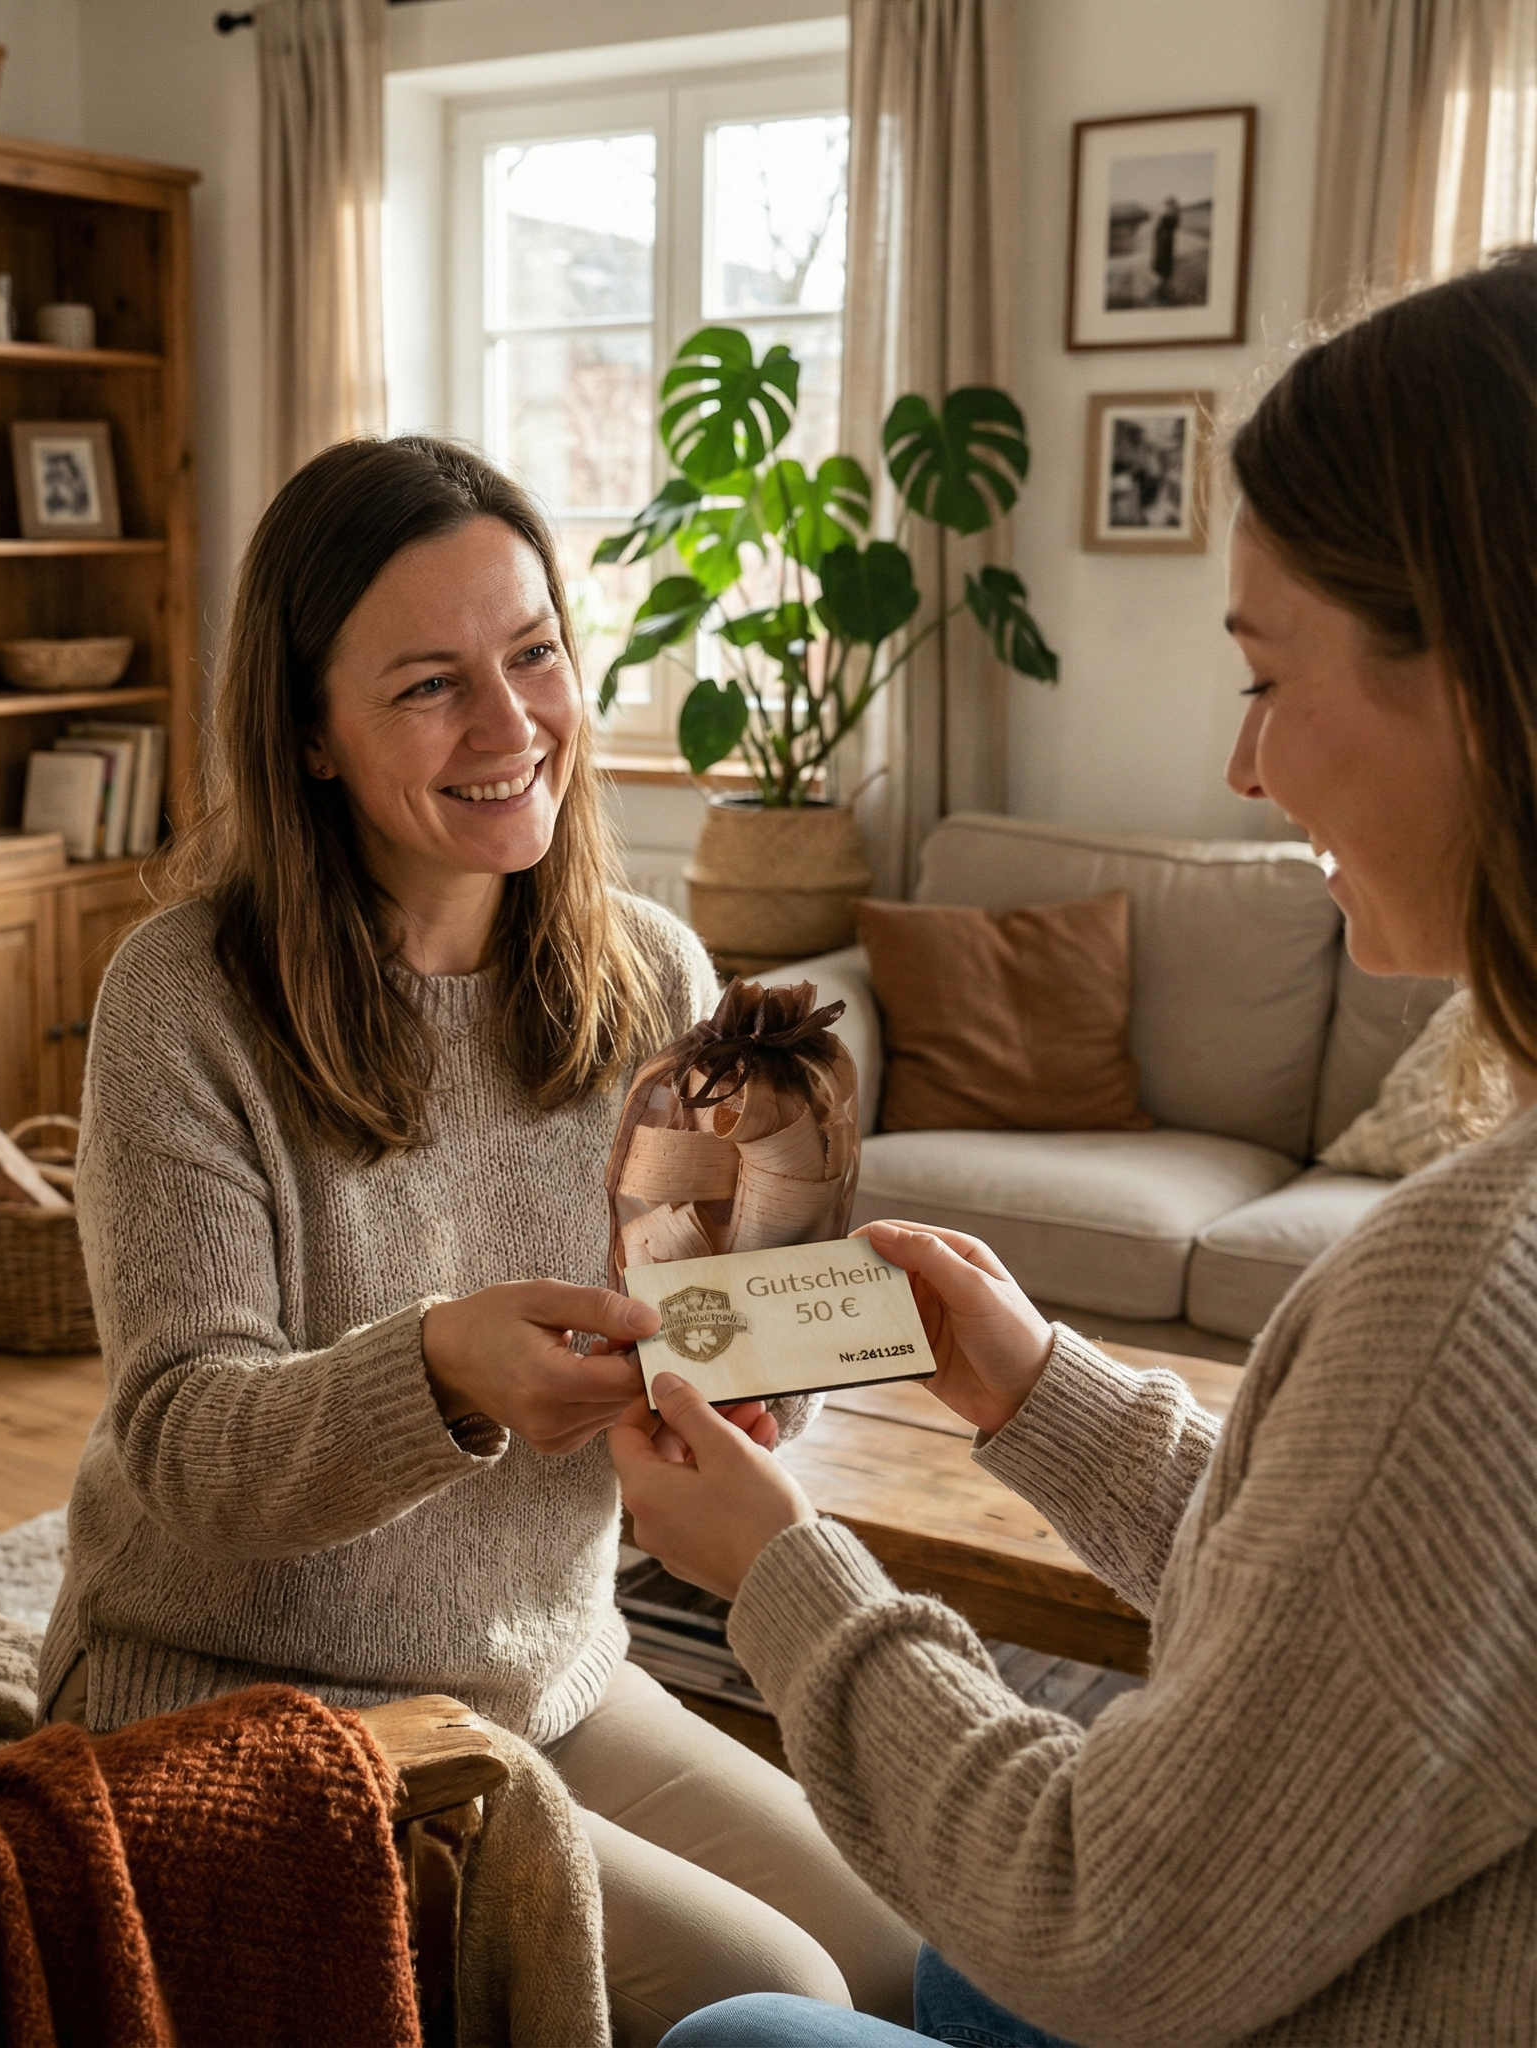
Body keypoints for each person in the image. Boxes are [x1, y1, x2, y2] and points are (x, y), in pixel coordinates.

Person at [620, 251, 1537, 2045]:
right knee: (935, 1966)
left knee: (743, 2032)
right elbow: (1368, 1621)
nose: (1246, 769)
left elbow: (1096, 1916)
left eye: (1265, 676)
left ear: (1489, 680)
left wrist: (782, 1570)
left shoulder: (1465, 1286)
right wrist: (1045, 1395)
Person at [38, 434, 921, 2042]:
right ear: (310, 734)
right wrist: (441, 1371)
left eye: (533, 655)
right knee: (780, 1997)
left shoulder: (653, 973)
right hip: (246, 1702)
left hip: (542, 1675)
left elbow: (706, 1333)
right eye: (430, 685)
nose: (512, 726)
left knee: (898, 1944)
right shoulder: (184, 1002)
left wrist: (752, 1366)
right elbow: (182, 1445)